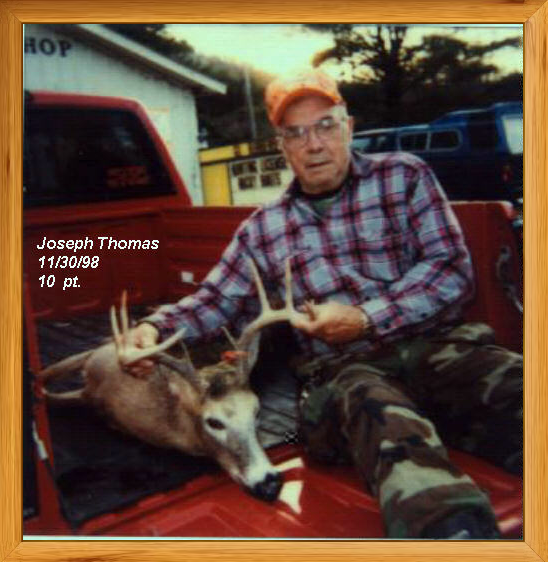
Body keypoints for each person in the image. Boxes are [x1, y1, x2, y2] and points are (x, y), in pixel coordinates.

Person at [129, 70, 522, 539]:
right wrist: (154, 329)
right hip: (345, 374)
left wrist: (366, 318)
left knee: (519, 386)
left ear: (348, 127)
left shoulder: (403, 177)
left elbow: (450, 269)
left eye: (325, 125)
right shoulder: (264, 229)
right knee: (384, 420)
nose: (313, 144)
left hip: (441, 349)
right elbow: (216, 299)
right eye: (296, 133)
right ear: (282, 146)